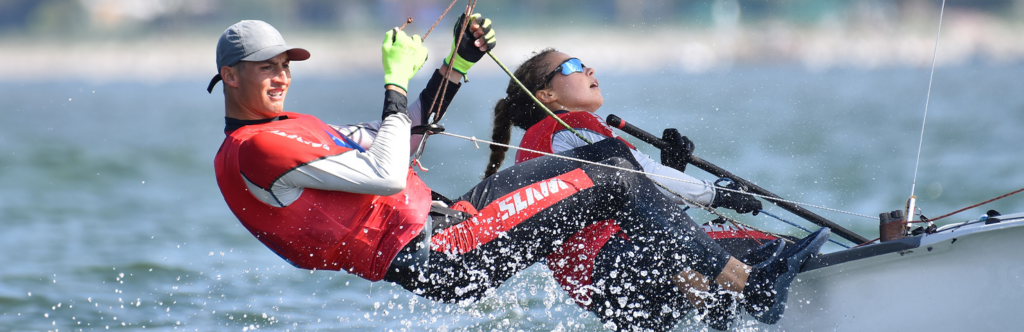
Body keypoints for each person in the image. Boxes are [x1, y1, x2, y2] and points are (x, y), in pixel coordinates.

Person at [209, 18, 829, 329]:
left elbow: (413, 130)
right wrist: (395, 80)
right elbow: (388, 170)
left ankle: (715, 294)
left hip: (453, 227)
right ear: (230, 76)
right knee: (608, 171)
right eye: (265, 66)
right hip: (437, 251)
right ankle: (745, 285)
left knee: (608, 168)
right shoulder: (253, 149)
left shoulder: (297, 126)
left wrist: (456, 62)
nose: (280, 73)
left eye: (285, 62)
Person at [485, 48, 812, 330]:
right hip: (625, 261)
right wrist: (719, 193)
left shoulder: (531, 149)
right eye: (571, 67)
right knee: (776, 248)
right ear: (547, 95)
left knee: (713, 248)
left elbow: (636, 207)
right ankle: (757, 293)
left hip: (604, 292)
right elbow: (645, 175)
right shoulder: (572, 124)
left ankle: (721, 304)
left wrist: (676, 171)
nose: (588, 69)